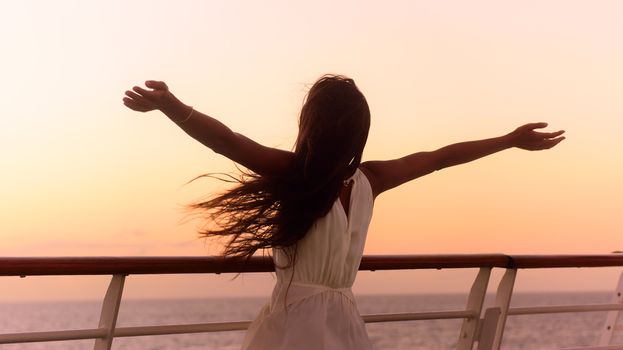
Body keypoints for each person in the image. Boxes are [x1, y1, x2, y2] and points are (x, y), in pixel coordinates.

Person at [123, 75, 565, 349]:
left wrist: (172, 106)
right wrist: (508, 139)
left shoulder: (297, 173)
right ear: (360, 132)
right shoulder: (370, 180)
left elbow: (228, 140)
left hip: (294, 322)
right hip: (342, 319)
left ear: (311, 125)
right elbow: (440, 156)